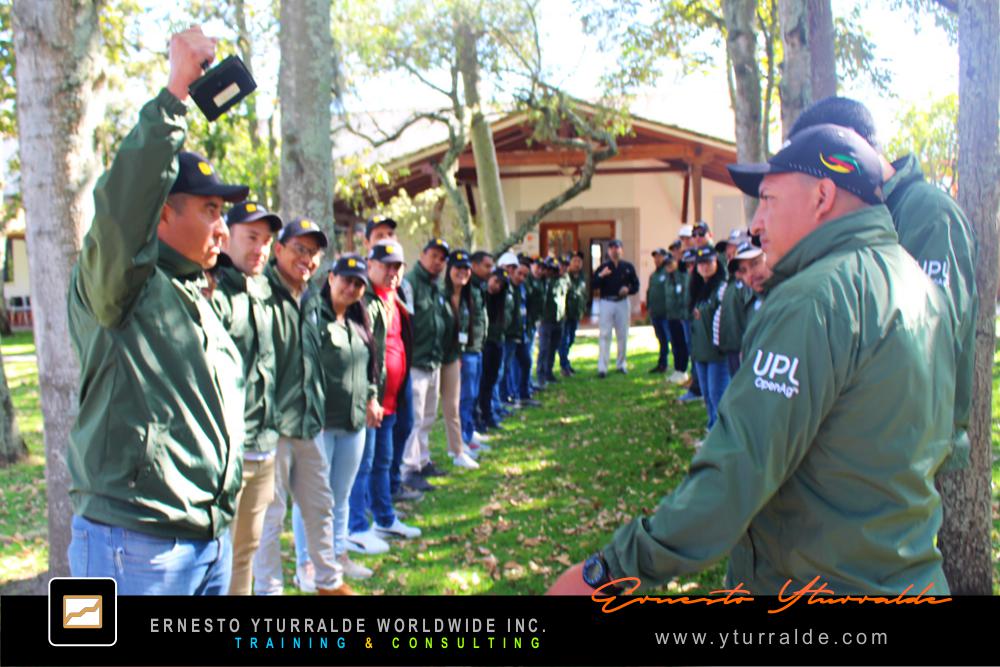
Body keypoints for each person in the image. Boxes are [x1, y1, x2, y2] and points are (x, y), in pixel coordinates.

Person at [549, 124, 957, 596]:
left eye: (767, 200)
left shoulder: (814, 299)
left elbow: (737, 471)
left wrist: (611, 571)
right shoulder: (917, 284)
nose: (756, 224)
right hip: (908, 574)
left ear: (822, 196)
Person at [67, 27, 248, 595]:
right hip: (130, 546)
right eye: (210, 209)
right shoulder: (123, 283)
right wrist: (174, 97)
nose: (223, 227)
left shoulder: (194, 293)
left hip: (204, 543)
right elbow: (122, 210)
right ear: (163, 214)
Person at [790, 96, 977, 473]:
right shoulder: (859, 216)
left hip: (900, 451)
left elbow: (929, 341)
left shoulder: (928, 214)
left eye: (814, 167)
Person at [254, 218, 351, 596]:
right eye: (299, 249)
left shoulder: (310, 299)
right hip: (273, 427)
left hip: (308, 423)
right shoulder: (260, 293)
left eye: (313, 253)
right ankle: (269, 590)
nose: (307, 258)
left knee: (320, 505)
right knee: (270, 516)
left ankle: (328, 581)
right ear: (278, 249)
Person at [211, 201, 283, 596]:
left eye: (266, 241)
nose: (260, 248)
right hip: (227, 453)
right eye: (251, 237)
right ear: (227, 236)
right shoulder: (211, 292)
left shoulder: (263, 288)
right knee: (216, 556)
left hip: (263, 446)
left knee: (245, 552)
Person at [292, 255, 378, 583]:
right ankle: (307, 564)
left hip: (352, 423)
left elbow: (370, 365)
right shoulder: (312, 314)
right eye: (346, 280)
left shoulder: (358, 320)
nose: (351, 288)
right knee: (312, 497)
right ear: (331, 278)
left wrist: (371, 397)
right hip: (320, 423)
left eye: (358, 284)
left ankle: (338, 555)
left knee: (340, 495)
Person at [346, 240, 421, 560]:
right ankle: (355, 526)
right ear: (370, 264)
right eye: (386, 265)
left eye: (397, 266)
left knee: (382, 462)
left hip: (392, 398)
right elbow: (363, 353)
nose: (392, 272)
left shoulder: (396, 298)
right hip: (370, 401)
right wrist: (369, 397)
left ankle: (384, 519)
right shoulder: (363, 300)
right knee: (362, 466)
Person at [400, 238, 450, 492]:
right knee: (415, 418)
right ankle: (409, 469)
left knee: (428, 416)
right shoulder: (409, 284)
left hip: (433, 360)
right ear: (422, 255)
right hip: (416, 362)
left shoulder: (434, 286)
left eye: (442, 259)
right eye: (434, 256)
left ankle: (423, 459)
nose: (438, 262)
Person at [439, 250, 481, 469]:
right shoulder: (440, 293)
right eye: (458, 268)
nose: (462, 272)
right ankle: (416, 460)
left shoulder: (467, 297)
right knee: (423, 413)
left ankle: (457, 450)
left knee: (453, 406)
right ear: (449, 269)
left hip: (454, 356)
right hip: (434, 356)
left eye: (466, 269)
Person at [687, 247, 731, 436]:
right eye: (701, 263)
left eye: (708, 262)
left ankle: (720, 436)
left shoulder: (722, 288)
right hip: (701, 353)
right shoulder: (698, 288)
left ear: (716, 263)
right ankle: (712, 430)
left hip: (717, 354)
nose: (704, 267)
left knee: (717, 395)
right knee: (707, 395)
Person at [592, 239, 639, 378]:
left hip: (622, 302)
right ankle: (602, 367)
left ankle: (621, 364)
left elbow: (636, 285)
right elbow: (594, 285)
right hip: (606, 302)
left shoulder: (628, 267)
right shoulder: (603, 267)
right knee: (605, 334)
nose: (614, 251)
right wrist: (601, 275)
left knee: (623, 334)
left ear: (621, 250)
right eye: (612, 248)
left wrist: (628, 289)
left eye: (617, 248)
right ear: (608, 251)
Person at [465, 252, 494, 454]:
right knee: (466, 397)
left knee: (473, 395)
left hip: (477, 347)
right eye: (486, 266)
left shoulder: (479, 287)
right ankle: (463, 440)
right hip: (468, 350)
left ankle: (470, 432)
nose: (490, 270)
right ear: (474, 266)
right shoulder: (468, 287)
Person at [479, 269, 510, 430]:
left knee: (491, 381)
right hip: (484, 344)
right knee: (482, 382)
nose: (497, 286)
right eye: (496, 281)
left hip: (497, 342)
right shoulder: (481, 295)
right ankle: (480, 416)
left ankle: (488, 414)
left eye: (501, 284)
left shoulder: (501, 299)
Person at [536, 258, 568, 386]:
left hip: (559, 320)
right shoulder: (543, 282)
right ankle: (541, 374)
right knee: (544, 349)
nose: (553, 272)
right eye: (550, 269)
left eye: (555, 269)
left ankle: (549, 372)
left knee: (553, 348)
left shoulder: (562, 281)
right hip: (546, 320)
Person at [662, 247, 690, 385]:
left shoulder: (681, 276)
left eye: (670, 263)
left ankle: (683, 370)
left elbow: (683, 297)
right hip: (671, 316)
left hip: (680, 316)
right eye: (666, 265)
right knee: (675, 344)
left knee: (682, 344)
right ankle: (677, 369)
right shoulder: (668, 278)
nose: (668, 266)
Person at [559, 251, 588, 376]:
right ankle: (564, 366)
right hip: (565, 314)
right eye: (574, 261)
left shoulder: (582, 277)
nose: (577, 264)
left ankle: (565, 362)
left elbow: (583, 294)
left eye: (579, 261)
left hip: (576, 314)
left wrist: (583, 309)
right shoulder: (565, 277)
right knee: (564, 341)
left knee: (570, 339)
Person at [645, 248, 672, 373]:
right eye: (655, 257)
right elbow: (649, 292)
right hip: (655, 313)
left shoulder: (668, 273)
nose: (657, 259)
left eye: (659, 256)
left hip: (666, 313)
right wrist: (649, 307)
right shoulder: (653, 275)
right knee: (661, 339)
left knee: (668, 339)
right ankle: (662, 363)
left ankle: (670, 365)